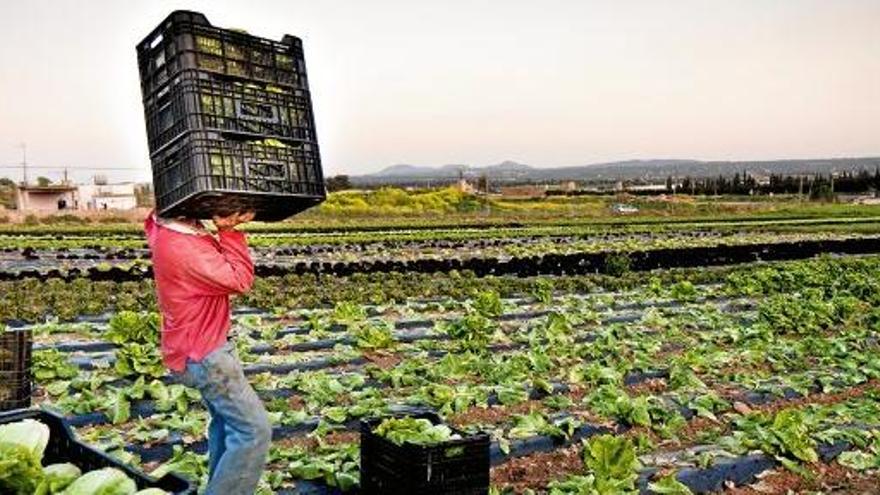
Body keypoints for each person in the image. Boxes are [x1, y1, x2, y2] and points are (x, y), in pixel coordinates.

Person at [145, 210, 271, 495]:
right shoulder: (183, 248)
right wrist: (229, 232)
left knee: (227, 425)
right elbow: (240, 280)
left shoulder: (167, 229)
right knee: (253, 431)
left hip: (195, 348)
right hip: (206, 354)